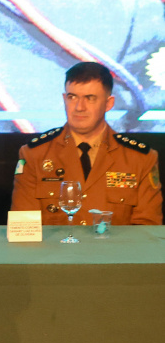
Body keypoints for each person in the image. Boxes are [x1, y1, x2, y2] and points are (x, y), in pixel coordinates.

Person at [11, 62, 162, 225]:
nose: (79, 107)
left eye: (90, 98)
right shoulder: (34, 154)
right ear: (64, 99)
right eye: (72, 97)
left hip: (114, 250)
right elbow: (24, 227)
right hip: (55, 251)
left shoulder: (140, 159)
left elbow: (147, 231)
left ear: (109, 104)